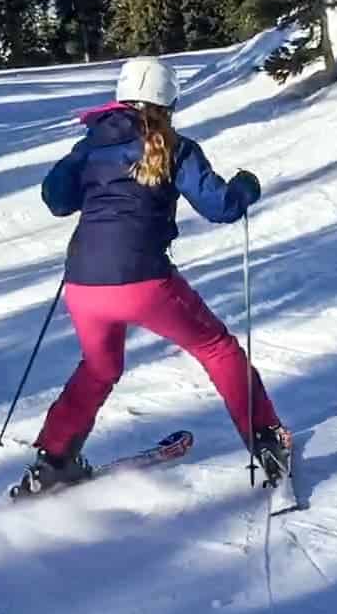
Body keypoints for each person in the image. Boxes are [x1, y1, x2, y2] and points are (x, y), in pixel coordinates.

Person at [18, 57, 291, 494]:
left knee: (100, 367)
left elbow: (56, 198)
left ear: (120, 97)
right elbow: (221, 206)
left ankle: (54, 458)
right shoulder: (175, 147)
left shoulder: (90, 145)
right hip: (143, 281)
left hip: (84, 285)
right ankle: (266, 441)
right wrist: (245, 188)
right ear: (171, 100)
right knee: (217, 348)